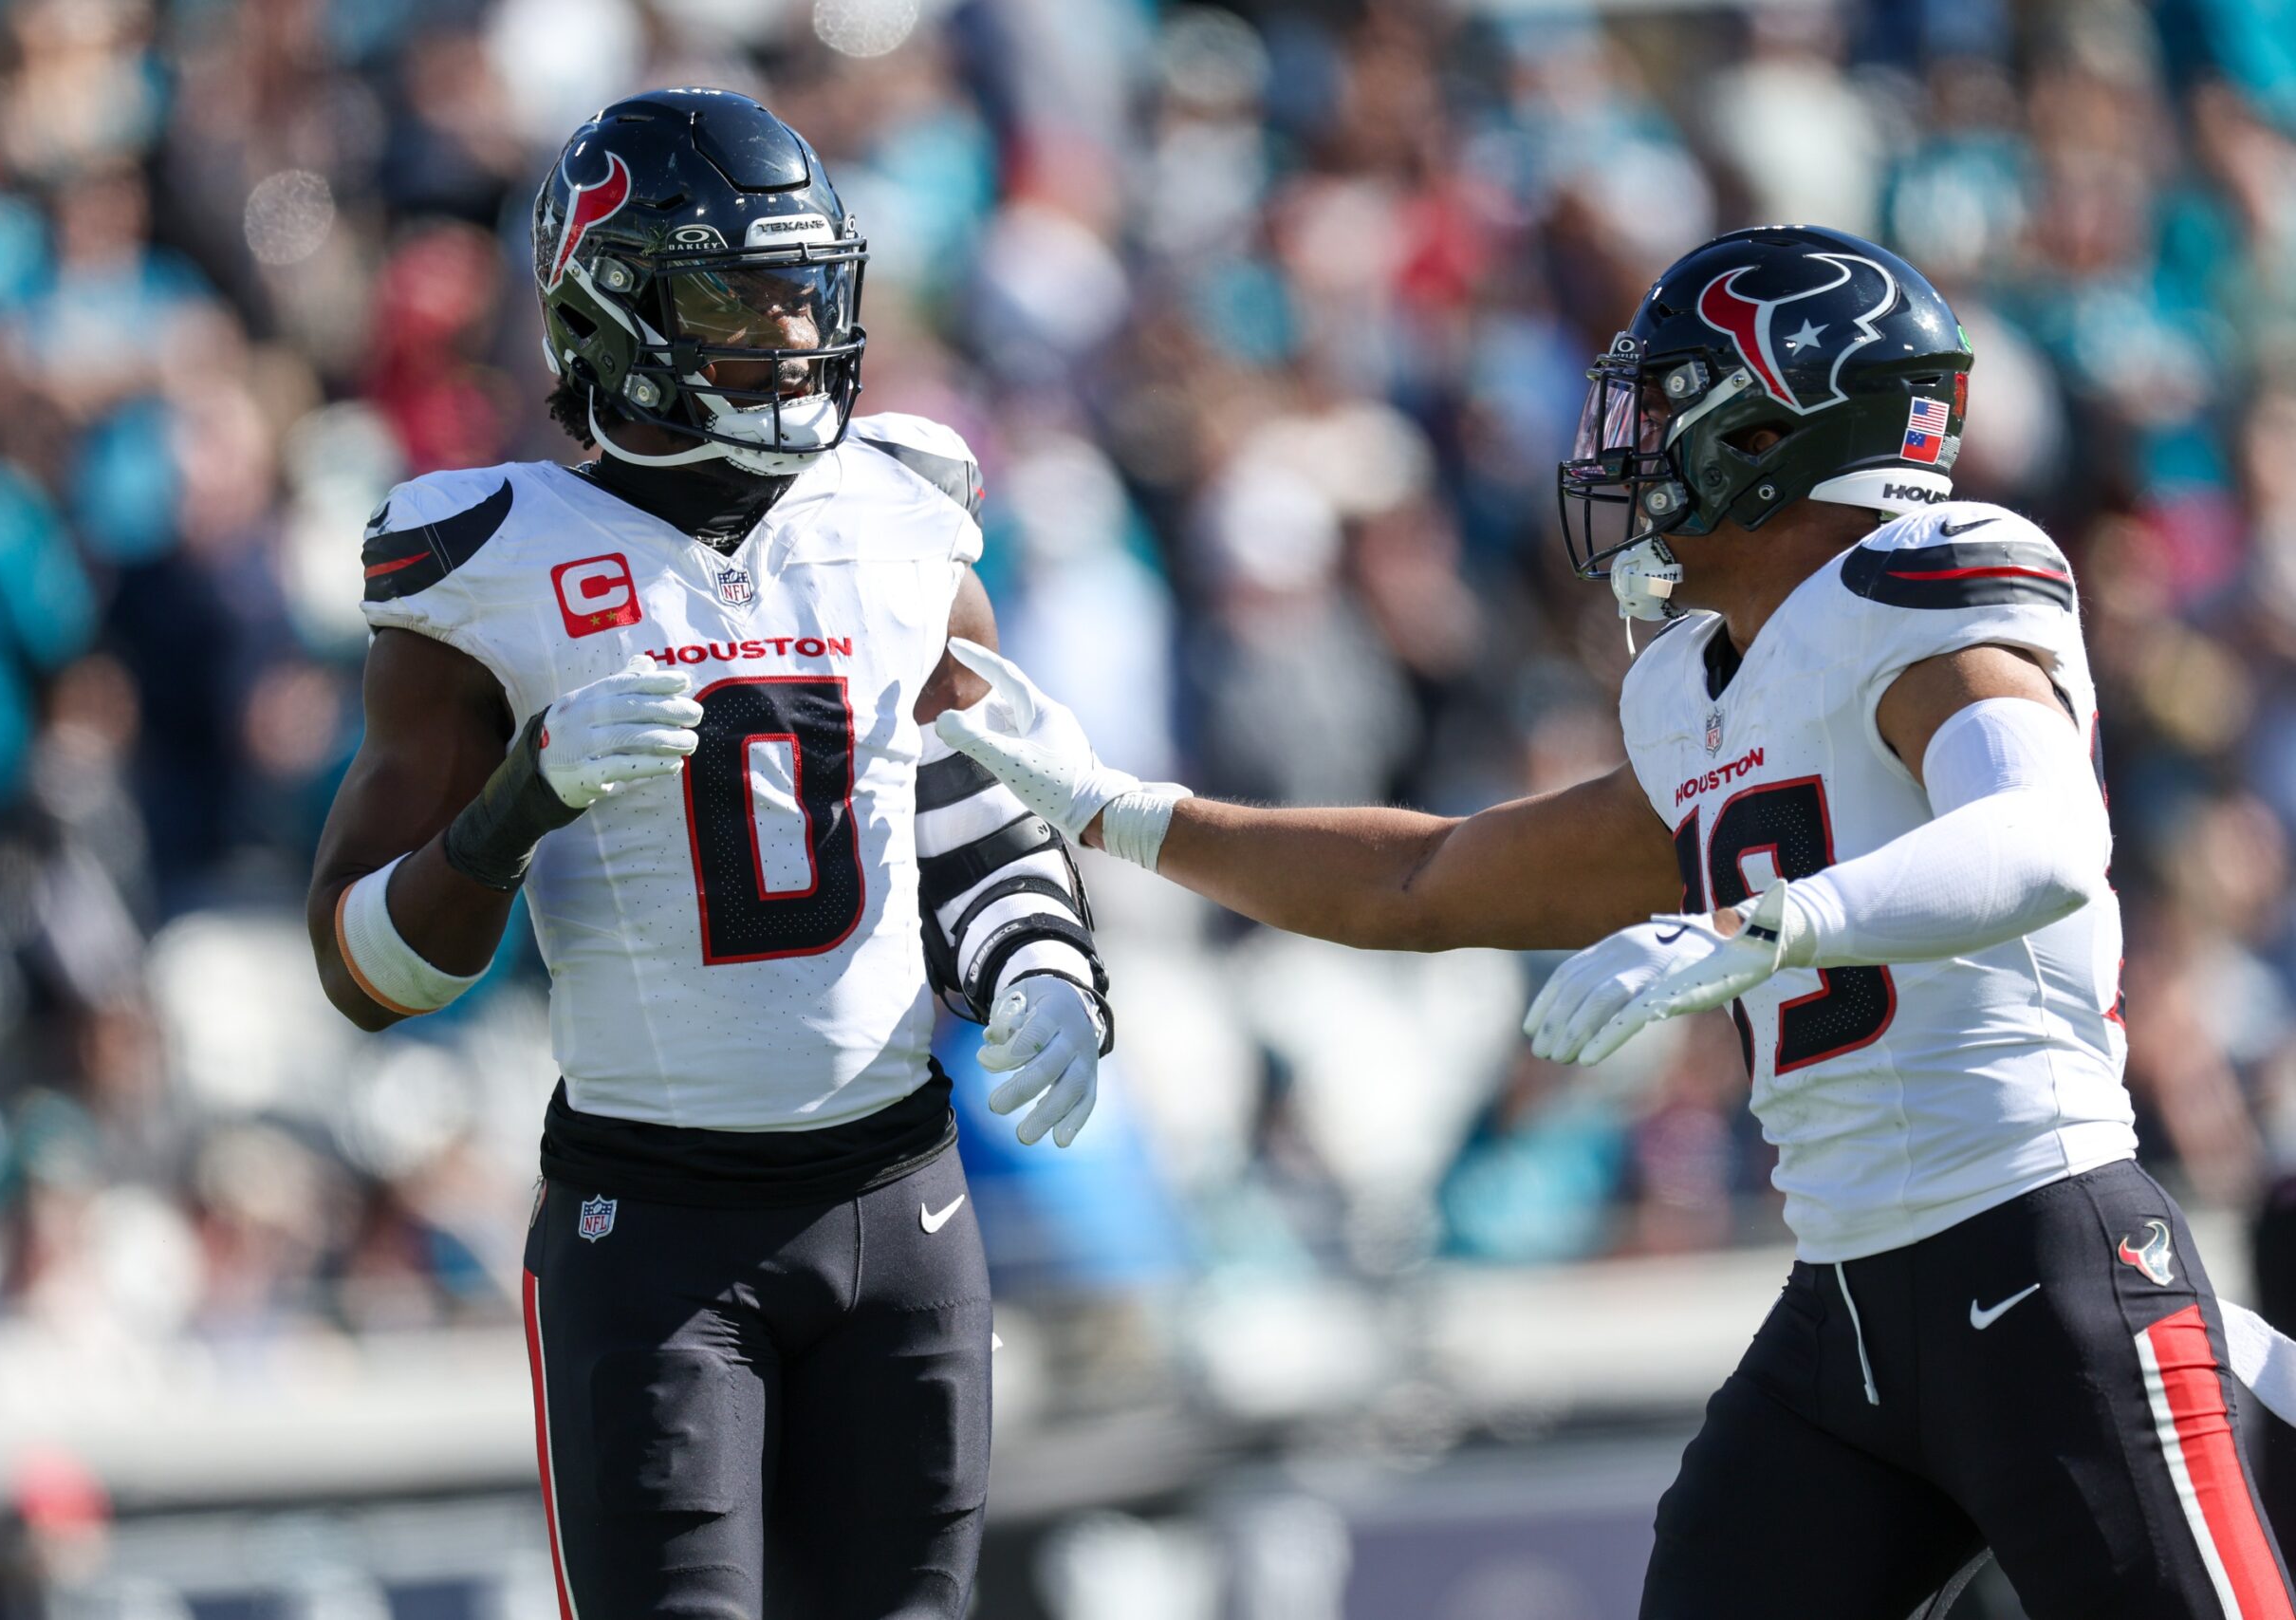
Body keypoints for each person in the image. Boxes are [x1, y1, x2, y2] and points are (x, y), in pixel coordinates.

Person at [935, 224, 2296, 1618]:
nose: (1630, 449)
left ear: (1780, 424)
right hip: (1846, 1309)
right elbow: (1428, 882)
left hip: (2038, 1255)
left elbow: (2044, 841)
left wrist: (1762, 929)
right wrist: (1114, 808)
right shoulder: (1699, 691)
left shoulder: (1923, 587)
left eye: (1668, 406)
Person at [306, 88, 1117, 1620]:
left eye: (803, 287)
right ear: (607, 306)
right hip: (653, 1230)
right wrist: (515, 807)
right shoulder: (485, 557)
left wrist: (1044, 961)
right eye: (734, 292)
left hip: (905, 1204)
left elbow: (971, 797)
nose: (793, 334)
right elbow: (362, 971)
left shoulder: (904, 510)